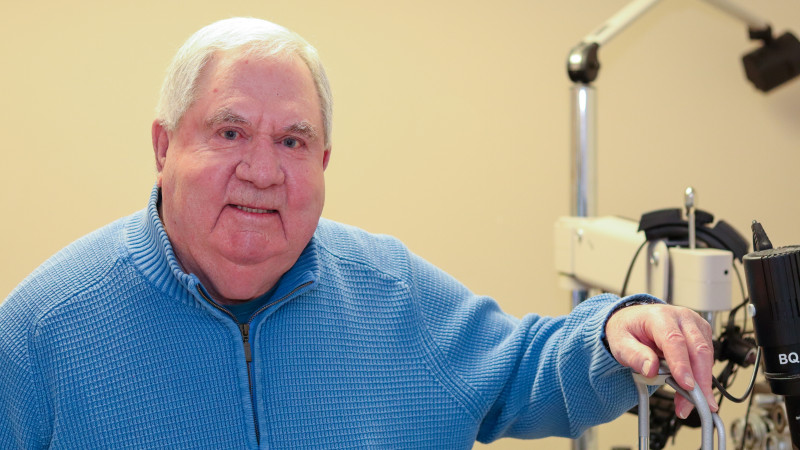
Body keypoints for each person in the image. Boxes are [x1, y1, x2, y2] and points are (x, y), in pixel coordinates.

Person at [0, 17, 715, 448]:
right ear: (163, 149)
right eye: (229, 131)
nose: (262, 170)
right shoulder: (39, 332)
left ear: (324, 162)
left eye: (293, 141)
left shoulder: (393, 291)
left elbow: (526, 368)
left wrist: (622, 328)